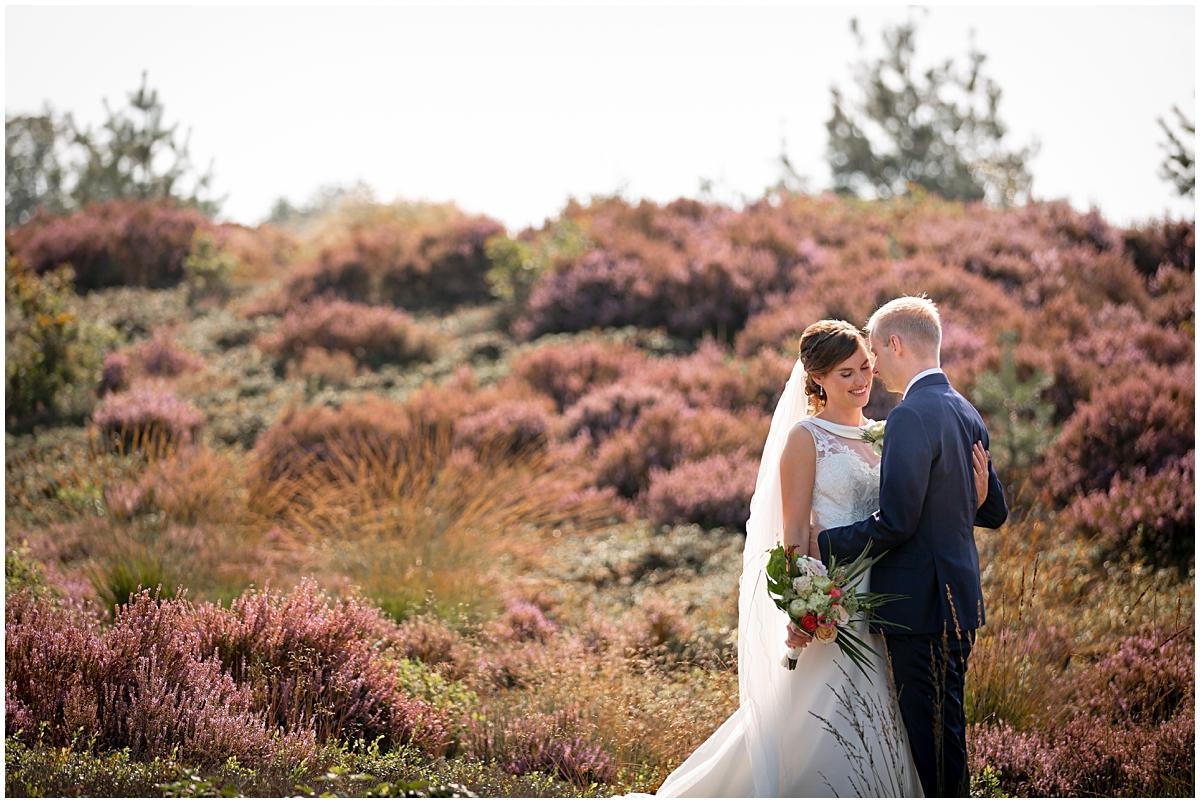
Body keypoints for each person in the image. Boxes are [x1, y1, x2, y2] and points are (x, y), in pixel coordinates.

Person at [650, 318, 989, 797]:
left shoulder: (888, 433)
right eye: (846, 373)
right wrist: (799, 604)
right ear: (818, 380)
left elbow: (911, 513)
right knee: (825, 718)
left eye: (865, 368)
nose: (861, 381)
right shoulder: (805, 438)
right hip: (838, 601)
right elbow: (792, 538)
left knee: (903, 721)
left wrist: (969, 500)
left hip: (897, 600)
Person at [813, 297, 1008, 797]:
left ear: (895, 344)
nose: (872, 366)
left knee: (933, 748)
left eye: (874, 351)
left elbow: (898, 522)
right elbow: (995, 510)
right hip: (959, 603)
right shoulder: (964, 408)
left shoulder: (909, 416)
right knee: (947, 736)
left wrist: (826, 543)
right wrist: (976, 498)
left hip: (921, 612)